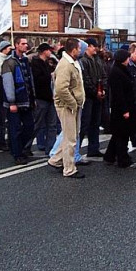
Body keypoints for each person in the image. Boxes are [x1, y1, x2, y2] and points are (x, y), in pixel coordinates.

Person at [48, 38, 86, 179]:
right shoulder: (65, 65)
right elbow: (61, 88)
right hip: (67, 106)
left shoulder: (72, 62)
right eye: (79, 48)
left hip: (72, 105)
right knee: (70, 138)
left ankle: (55, 160)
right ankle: (69, 169)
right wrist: (73, 103)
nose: (81, 50)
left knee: (71, 135)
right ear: (73, 49)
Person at [2, 38, 37, 165]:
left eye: (26, 43)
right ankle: (17, 154)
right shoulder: (9, 62)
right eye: (23, 43)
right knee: (15, 129)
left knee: (29, 127)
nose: (26, 45)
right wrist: (11, 102)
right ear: (16, 45)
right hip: (15, 102)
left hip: (26, 100)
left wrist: (33, 97)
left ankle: (19, 148)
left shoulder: (26, 60)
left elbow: (30, 79)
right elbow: (8, 82)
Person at [104, 49, 136, 168]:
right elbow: (119, 94)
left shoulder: (121, 69)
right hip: (121, 108)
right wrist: (125, 110)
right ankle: (123, 160)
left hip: (124, 107)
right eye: (127, 58)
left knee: (118, 134)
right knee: (122, 135)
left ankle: (109, 155)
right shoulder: (117, 72)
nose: (129, 60)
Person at [79, 38, 105, 157]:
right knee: (84, 124)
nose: (96, 48)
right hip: (88, 96)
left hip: (97, 96)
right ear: (88, 46)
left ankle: (93, 149)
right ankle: (75, 151)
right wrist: (95, 91)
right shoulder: (83, 61)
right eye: (94, 46)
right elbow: (85, 79)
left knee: (95, 122)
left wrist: (103, 88)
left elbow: (103, 75)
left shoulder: (97, 60)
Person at [30, 42, 58, 154]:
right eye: (49, 50)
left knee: (52, 125)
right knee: (38, 124)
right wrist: (50, 75)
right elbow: (38, 80)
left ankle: (51, 148)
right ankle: (26, 146)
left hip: (49, 97)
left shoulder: (46, 63)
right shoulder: (36, 64)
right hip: (41, 97)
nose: (50, 52)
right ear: (44, 51)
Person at [0, 40, 13, 151]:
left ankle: (9, 141)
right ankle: (1, 142)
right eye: (9, 48)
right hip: (1, 96)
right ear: (4, 49)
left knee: (8, 120)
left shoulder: (7, 60)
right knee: (1, 121)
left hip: (6, 94)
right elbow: (6, 74)